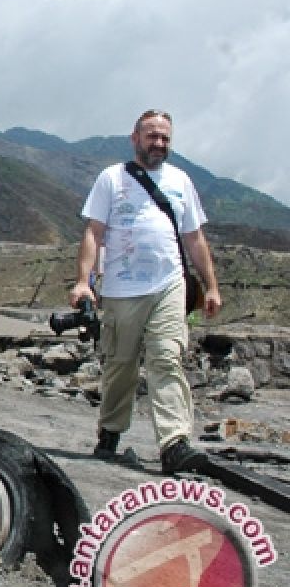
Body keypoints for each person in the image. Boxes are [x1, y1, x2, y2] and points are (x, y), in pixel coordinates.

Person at [69, 109, 222, 475]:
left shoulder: (181, 181)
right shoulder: (112, 179)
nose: (159, 144)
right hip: (122, 289)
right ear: (135, 138)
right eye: (152, 136)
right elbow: (94, 232)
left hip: (169, 284)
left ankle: (174, 443)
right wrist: (82, 281)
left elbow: (194, 238)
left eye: (165, 138)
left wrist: (212, 285)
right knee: (120, 365)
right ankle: (110, 432)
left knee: (167, 358)